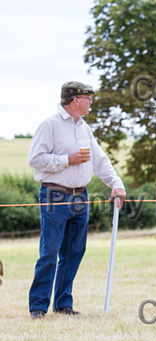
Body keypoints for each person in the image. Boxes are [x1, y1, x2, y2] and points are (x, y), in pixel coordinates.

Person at [28, 81, 126, 319]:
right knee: (49, 251)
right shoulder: (49, 125)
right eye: (88, 97)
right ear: (75, 100)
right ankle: (38, 307)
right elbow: (35, 158)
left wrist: (116, 183)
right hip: (55, 195)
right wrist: (66, 160)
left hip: (80, 196)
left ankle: (63, 303)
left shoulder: (84, 128)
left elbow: (100, 161)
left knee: (75, 251)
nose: (91, 102)